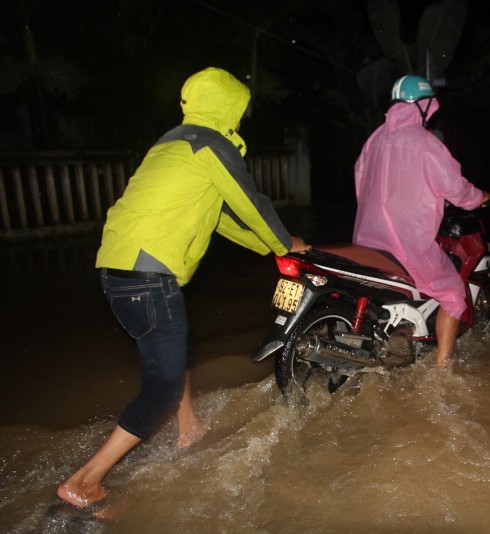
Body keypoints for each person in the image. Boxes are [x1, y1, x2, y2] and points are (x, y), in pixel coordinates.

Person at [57, 66, 310, 512]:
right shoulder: (211, 144)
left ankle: (188, 426)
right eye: (241, 111)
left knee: (174, 349)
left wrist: (272, 249)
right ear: (228, 107)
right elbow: (250, 203)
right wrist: (286, 243)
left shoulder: (174, 144)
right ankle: (86, 482)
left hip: (119, 272)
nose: (242, 119)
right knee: (163, 387)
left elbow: (224, 220)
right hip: (148, 278)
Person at [352, 74, 490, 370]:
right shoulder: (426, 144)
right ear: (424, 107)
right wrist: (480, 197)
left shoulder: (375, 138)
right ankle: (442, 371)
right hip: (407, 243)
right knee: (453, 293)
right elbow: (455, 188)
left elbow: (360, 183)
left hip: (367, 240)